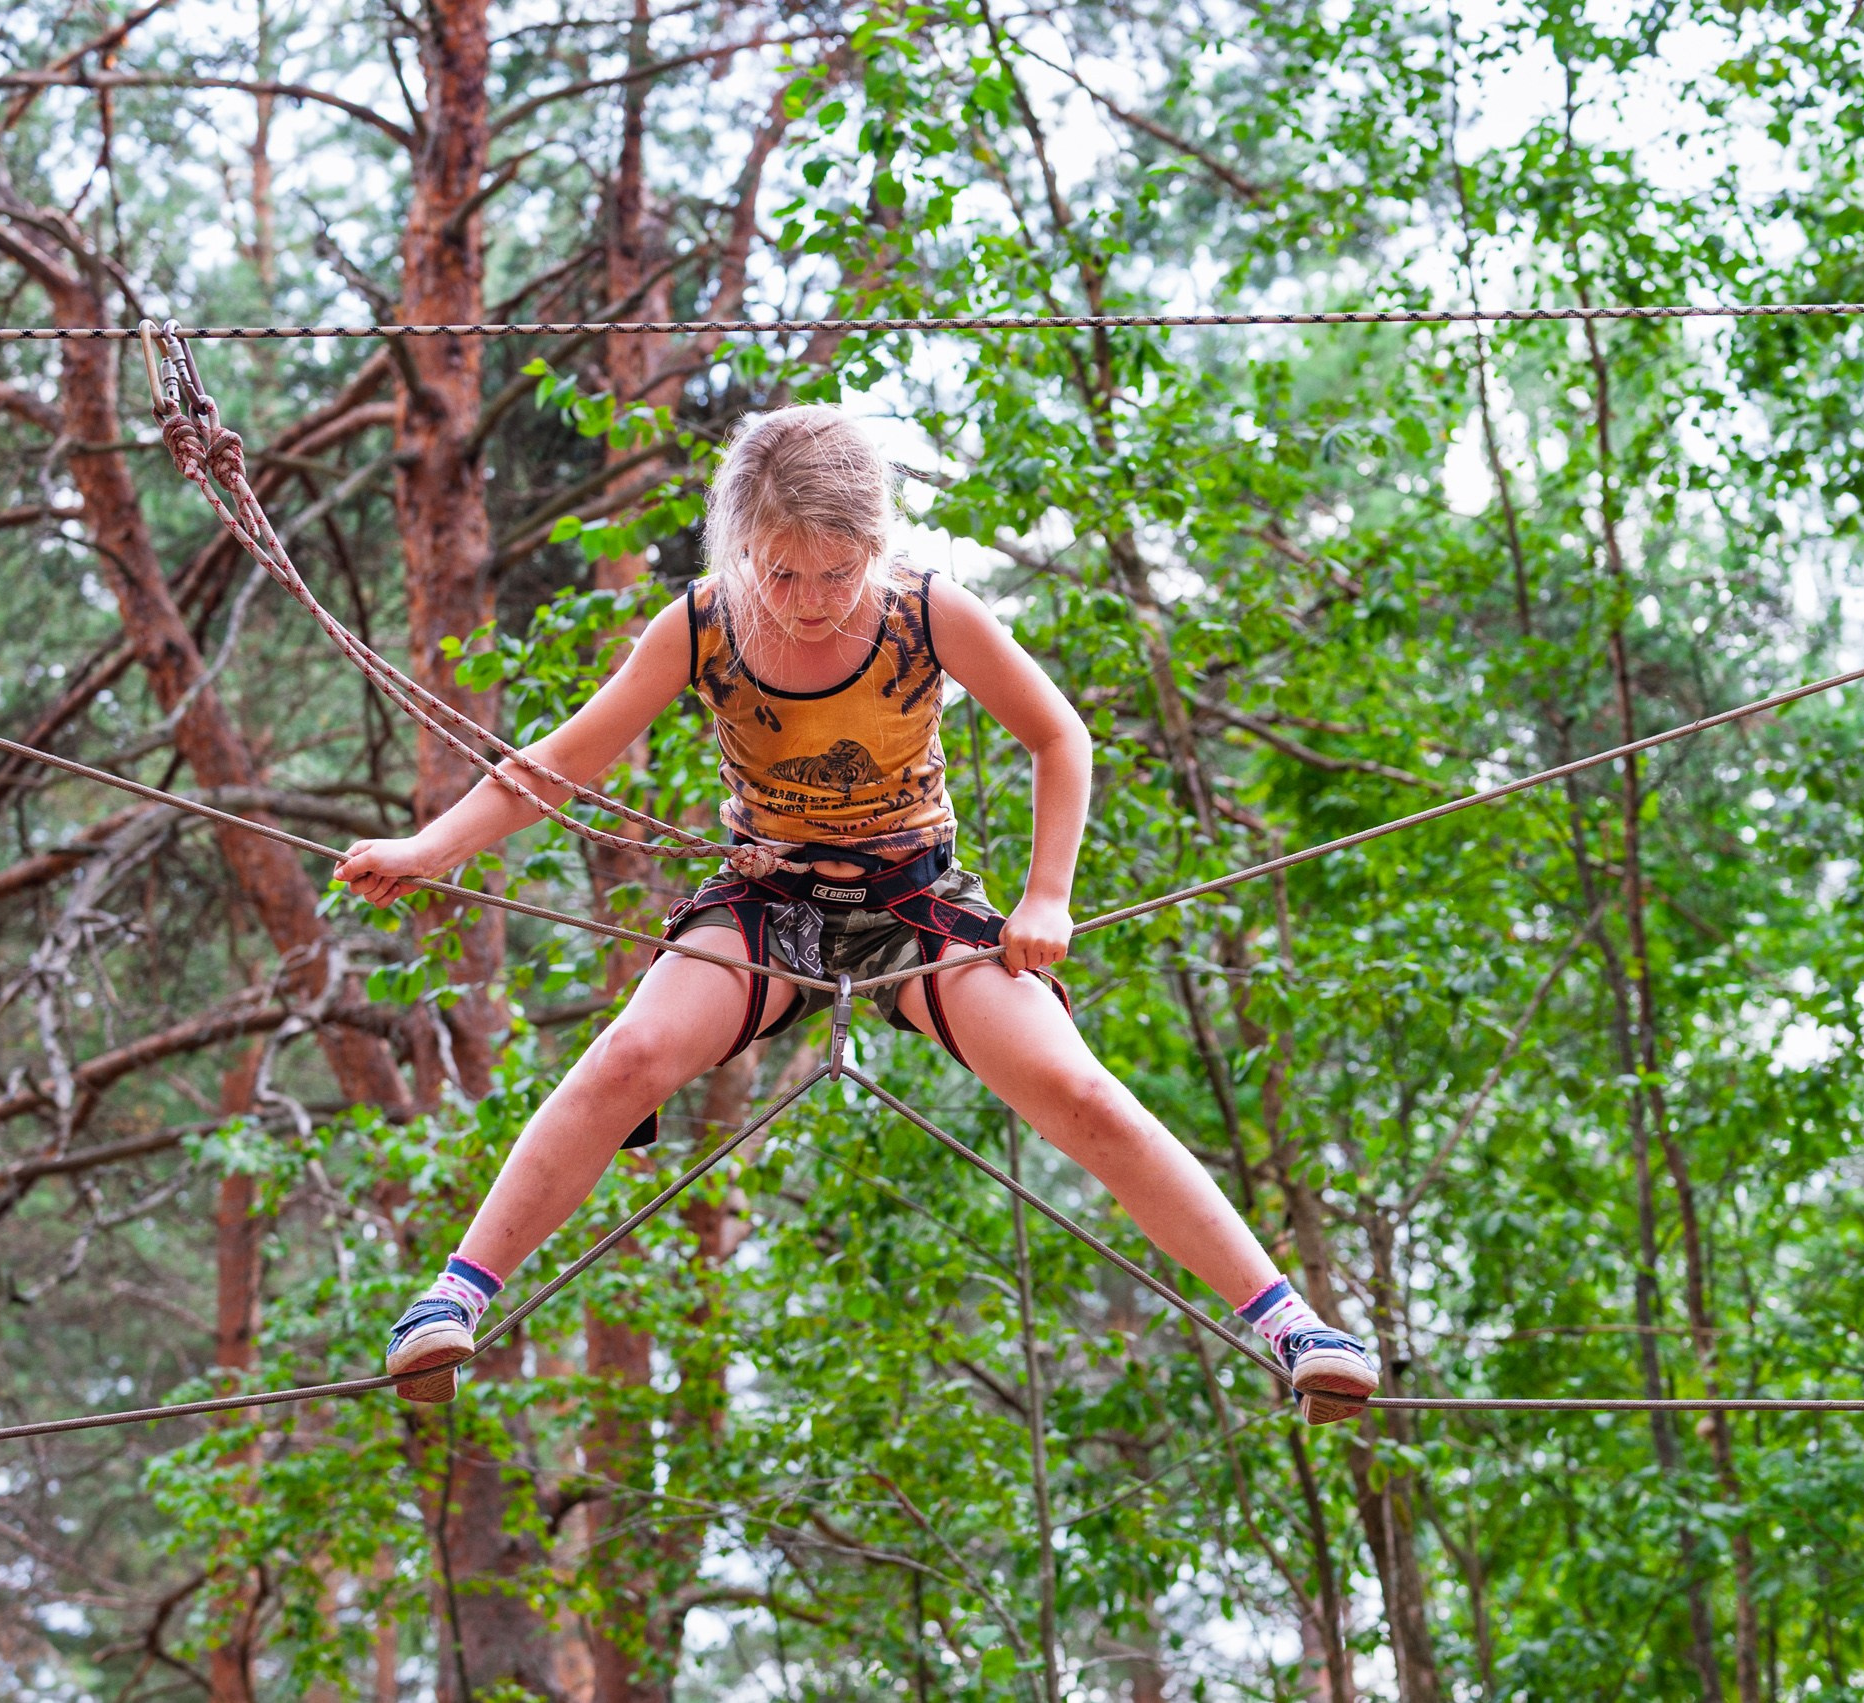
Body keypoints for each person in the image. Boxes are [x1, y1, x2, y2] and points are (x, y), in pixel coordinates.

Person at [332, 405, 1378, 1422]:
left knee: (1074, 1085)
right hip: (767, 897)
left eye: (837, 571)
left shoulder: (928, 613)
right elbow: (557, 763)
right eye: (781, 572)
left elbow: (1061, 737)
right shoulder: (700, 624)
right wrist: (429, 849)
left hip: (913, 901)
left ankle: (1291, 1324)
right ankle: (455, 1293)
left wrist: (1045, 893)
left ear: (877, 545)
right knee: (627, 1054)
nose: (811, 598)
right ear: (740, 548)